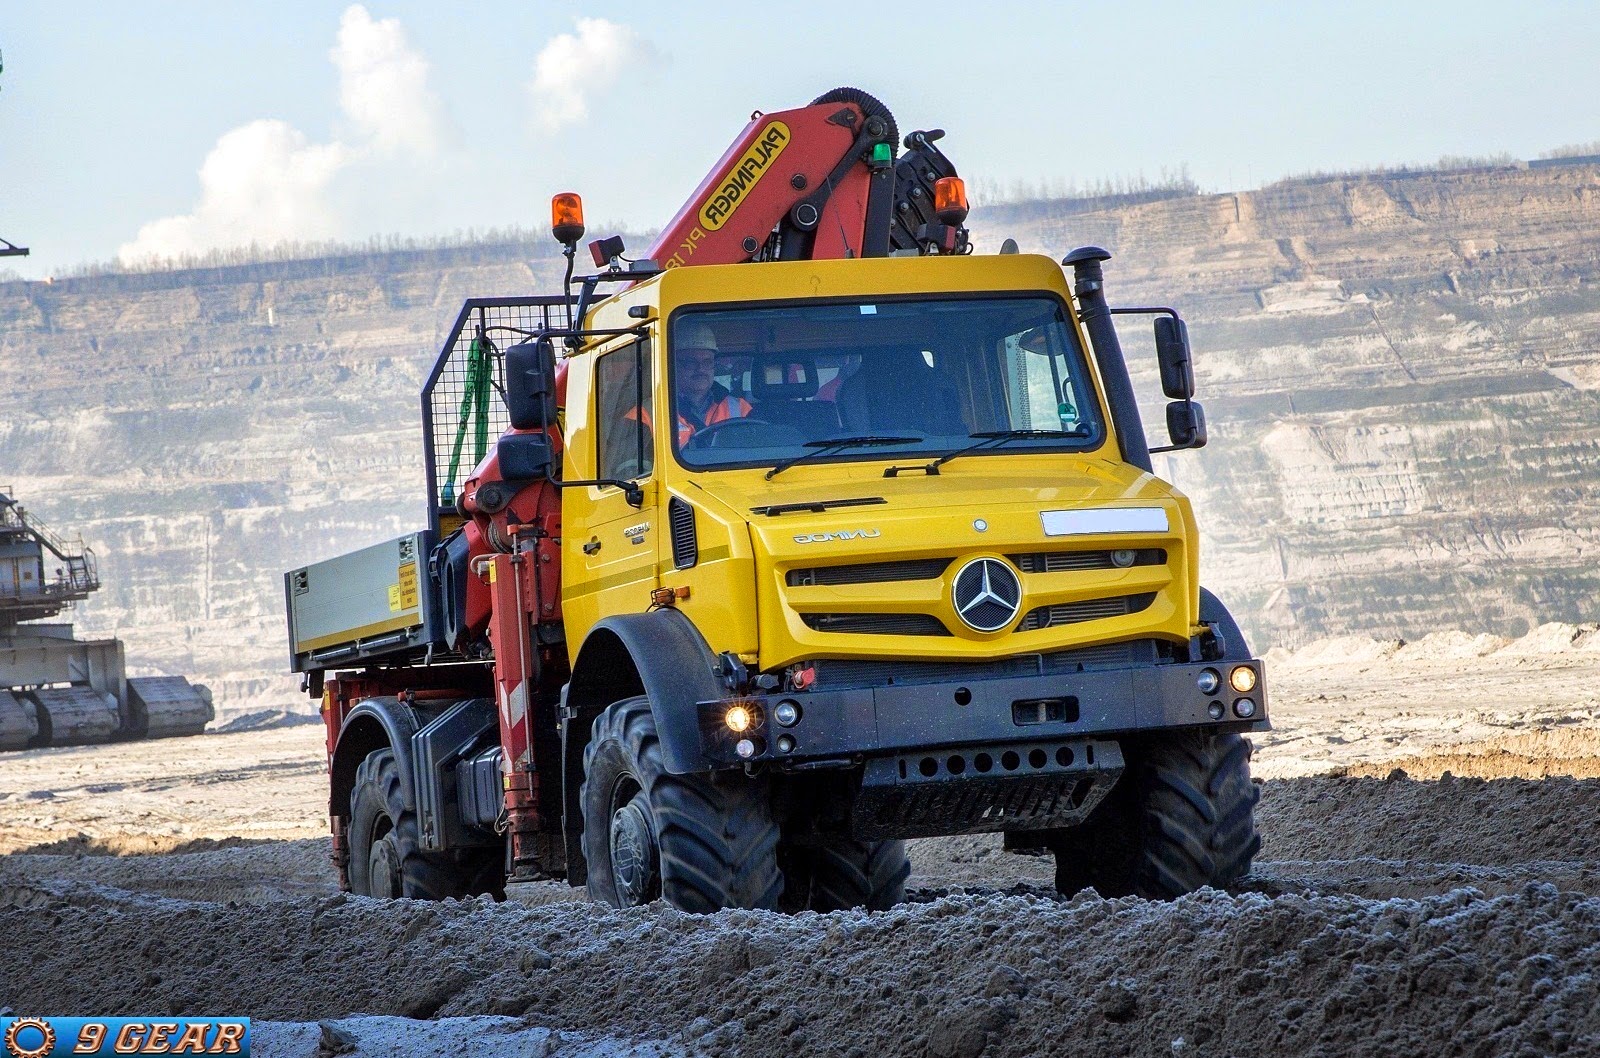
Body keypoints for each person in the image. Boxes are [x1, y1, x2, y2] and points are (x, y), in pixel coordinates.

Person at [670, 321, 749, 444]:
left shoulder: (740, 408)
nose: (700, 369)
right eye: (691, 362)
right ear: (672, 364)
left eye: (707, 362)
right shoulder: (648, 413)